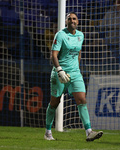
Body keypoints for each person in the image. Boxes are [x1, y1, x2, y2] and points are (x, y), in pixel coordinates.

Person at [44, 12, 103, 141]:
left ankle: (89, 132)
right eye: (69, 19)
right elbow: (53, 55)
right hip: (60, 73)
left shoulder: (81, 35)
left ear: (78, 22)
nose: (72, 21)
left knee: (82, 100)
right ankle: (48, 132)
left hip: (75, 73)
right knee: (54, 103)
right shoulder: (60, 35)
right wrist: (59, 70)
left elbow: (79, 53)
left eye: (74, 19)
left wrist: (76, 69)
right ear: (66, 22)